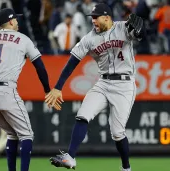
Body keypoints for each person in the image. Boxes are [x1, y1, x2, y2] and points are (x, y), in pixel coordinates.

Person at [45, 3, 144, 171]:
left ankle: (126, 168)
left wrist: (141, 31)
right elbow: (71, 64)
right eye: (92, 18)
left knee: (117, 132)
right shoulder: (89, 39)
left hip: (125, 84)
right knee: (83, 114)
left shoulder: (123, 28)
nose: (93, 21)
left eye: (96, 17)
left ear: (107, 17)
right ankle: (70, 157)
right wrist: (58, 87)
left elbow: (140, 34)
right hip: (103, 83)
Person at [0, 8, 61, 171]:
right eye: (16, 20)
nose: (18, 22)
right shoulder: (23, 39)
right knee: (27, 135)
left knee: (12, 134)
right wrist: (47, 90)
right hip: (5, 91)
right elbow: (40, 66)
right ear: (12, 21)